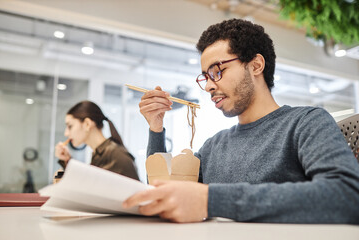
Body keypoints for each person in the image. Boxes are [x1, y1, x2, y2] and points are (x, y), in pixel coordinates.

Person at [122, 19, 359, 223]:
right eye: (205, 77)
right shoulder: (213, 147)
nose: (208, 85)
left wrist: (209, 200)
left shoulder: (305, 123)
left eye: (217, 71)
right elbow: (165, 194)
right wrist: (156, 126)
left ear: (256, 65)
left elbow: (347, 196)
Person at [55, 100, 139, 180]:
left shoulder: (116, 155)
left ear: (87, 124)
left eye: (70, 126)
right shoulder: (99, 155)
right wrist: (66, 160)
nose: (66, 133)